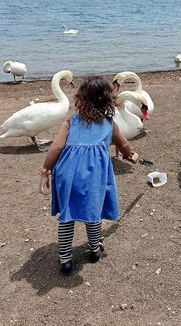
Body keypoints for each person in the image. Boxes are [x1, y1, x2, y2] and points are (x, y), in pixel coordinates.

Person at [39, 75, 140, 275]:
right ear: (108, 99)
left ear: (81, 99)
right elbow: (124, 145)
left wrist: (45, 171)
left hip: (67, 175)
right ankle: (94, 248)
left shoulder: (71, 121)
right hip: (93, 177)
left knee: (67, 216)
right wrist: (132, 155)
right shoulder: (110, 125)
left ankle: (65, 259)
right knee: (93, 214)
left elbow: (56, 147)